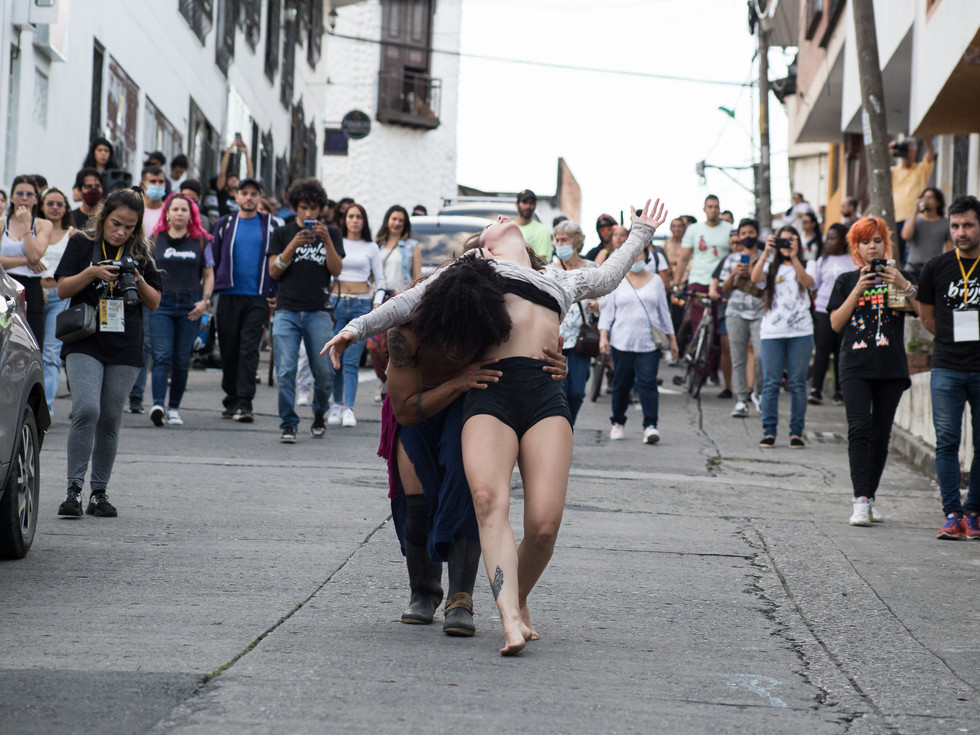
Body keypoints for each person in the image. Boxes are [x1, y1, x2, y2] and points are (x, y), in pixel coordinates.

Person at [323, 200, 668, 655]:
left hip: (538, 393)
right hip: (483, 393)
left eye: (505, 219)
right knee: (476, 500)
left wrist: (641, 232)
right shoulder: (475, 266)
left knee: (542, 526)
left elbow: (606, 277)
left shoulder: (559, 278)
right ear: (484, 245)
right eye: (493, 223)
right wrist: (354, 328)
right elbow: (409, 301)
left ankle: (516, 598)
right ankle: (493, 616)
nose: (502, 219)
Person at [382, 259, 568, 636]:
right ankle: (423, 592)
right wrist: (457, 380)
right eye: (451, 338)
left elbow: (534, 344)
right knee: (416, 501)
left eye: (467, 340)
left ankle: (460, 597)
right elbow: (405, 410)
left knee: (467, 491)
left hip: (468, 397)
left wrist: (555, 364)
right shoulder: (407, 328)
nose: (457, 349)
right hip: (416, 404)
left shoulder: (488, 313)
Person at [54, 188, 162, 518]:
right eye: (116, 223)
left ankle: (98, 493)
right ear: (103, 217)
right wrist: (92, 272)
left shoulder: (140, 251)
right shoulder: (82, 243)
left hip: (125, 344)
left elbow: (154, 302)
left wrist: (138, 279)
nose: (121, 232)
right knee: (87, 409)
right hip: (85, 338)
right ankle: (73, 490)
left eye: (129, 227)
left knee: (111, 417)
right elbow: (62, 288)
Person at [828, 216, 919, 526]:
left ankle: (871, 496)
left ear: (885, 244)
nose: (872, 247)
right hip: (854, 365)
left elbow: (922, 313)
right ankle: (860, 500)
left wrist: (904, 285)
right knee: (859, 429)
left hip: (890, 366)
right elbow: (835, 323)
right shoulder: (846, 281)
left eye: (877, 241)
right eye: (865, 242)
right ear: (856, 247)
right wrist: (859, 289)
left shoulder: (901, 277)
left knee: (881, 435)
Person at [916, 195, 980, 541]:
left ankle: (974, 513)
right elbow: (927, 318)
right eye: (955, 226)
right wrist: (954, 340)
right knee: (947, 442)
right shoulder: (936, 267)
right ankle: (952, 513)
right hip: (947, 367)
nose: (960, 232)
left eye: (968, 225)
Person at [267, 178, 344, 442]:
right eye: (303, 207)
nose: (308, 213)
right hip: (286, 310)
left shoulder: (332, 233)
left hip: (318, 310)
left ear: (321, 208)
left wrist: (327, 241)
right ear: (295, 207)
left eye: (313, 208)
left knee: (324, 372)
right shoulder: (282, 233)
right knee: (286, 369)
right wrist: (293, 245)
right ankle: (288, 423)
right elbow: (273, 271)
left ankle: (319, 413)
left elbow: (336, 270)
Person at [211, 177, 281, 422]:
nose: (249, 197)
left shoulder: (271, 225)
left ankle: (245, 403)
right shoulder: (224, 224)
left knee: (249, 350)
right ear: (237, 196)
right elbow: (214, 258)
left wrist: (275, 291)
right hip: (228, 295)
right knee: (229, 348)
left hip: (258, 297)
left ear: (260, 197)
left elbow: (279, 260)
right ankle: (231, 400)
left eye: (254, 193)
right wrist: (210, 290)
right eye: (245, 193)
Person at [147, 194, 215, 427]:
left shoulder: (201, 241)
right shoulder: (155, 239)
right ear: (167, 213)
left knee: (182, 360)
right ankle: (157, 405)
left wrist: (205, 302)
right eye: (174, 209)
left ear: (191, 214)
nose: (179, 213)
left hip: (190, 307)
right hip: (162, 305)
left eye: (184, 209)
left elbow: (209, 274)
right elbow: (145, 270)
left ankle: (174, 408)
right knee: (162, 356)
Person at [599, 247, 677, 443]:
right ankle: (618, 422)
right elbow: (608, 311)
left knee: (648, 383)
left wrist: (673, 340)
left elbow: (664, 312)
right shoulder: (617, 280)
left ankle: (650, 426)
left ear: (646, 256)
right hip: (621, 341)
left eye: (640, 253)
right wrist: (603, 336)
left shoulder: (656, 281)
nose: (636, 257)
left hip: (649, 343)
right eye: (633, 254)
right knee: (621, 384)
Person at [751, 226, 817, 449]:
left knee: (798, 384)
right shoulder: (770, 265)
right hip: (772, 332)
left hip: (801, 333)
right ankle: (769, 431)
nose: (786, 245)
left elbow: (807, 282)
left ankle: (796, 433)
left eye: (791, 240)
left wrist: (795, 256)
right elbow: (755, 278)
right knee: (770, 383)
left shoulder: (808, 263)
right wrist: (765, 254)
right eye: (783, 241)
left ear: (797, 242)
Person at [328, 203, 386, 428]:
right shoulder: (336, 242)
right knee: (335, 356)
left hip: (361, 304)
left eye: (358, 217)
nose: (354, 220)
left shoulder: (371, 247)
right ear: (344, 220)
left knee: (352, 360)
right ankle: (336, 404)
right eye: (351, 216)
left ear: (364, 221)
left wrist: (377, 303)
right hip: (336, 302)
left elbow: (380, 281)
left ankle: (349, 408)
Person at [713, 218, 765, 417]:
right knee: (738, 358)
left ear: (757, 235)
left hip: (760, 313)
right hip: (735, 312)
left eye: (751, 233)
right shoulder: (730, 259)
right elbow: (724, 289)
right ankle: (741, 400)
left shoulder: (766, 257)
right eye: (743, 233)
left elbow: (767, 286)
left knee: (761, 356)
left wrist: (753, 271)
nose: (747, 237)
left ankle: (758, 393)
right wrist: (734, 273)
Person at [552, 219, 599, 426]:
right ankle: (561, 430)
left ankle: (568, 425)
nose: (559, 244)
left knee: (577, 391)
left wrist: (597, 305)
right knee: (559, 390)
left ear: (577, 242)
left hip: (582, 338)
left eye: (564, 240)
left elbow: (606, 297)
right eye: (557, 240)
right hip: (557, 337)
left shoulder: (591, 268)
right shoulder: (550, 270)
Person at [678, 194, 730, 377]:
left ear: (719, 209)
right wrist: (677, 283)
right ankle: (700, 369)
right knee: (698, 324)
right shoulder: (694, 229)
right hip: (698, 281)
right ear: (704, 209)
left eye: (716, 207)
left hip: (721, 283)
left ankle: (713, 369)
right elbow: (683, 257)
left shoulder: (729, 229)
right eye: (710, 207)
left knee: (717, 328)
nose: (713, 210)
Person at [37, 187, 75, 417]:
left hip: (60, 297)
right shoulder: (33, 231)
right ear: (41, 206)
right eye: (50, 203)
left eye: (59, 204)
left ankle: (46, 411)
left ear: (66, 208)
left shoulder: (72, 234)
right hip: (34, 295)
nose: (54, 207)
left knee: (51, 354)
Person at [1, 175, 52, 344]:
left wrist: (25, 226)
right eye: (20, 193)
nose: (24, 198)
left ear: (36, 199)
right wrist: (25, 261)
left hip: (32, 286)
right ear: (12, 197)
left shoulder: (43, 225)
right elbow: (30, 259)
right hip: (5, 282)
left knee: (32, 340)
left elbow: (35, 255)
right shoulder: (2, 223)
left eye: (29, 194)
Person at [810, 223, 857, 405]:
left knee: (841, 350)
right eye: (828, 238)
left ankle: (840, 391)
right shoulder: (823, 260)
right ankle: (816, 389)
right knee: (822, 349)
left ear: (843, 240)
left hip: (845, 310)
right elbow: (815, 285)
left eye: (833, 238)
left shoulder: (852, 260)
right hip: (823, 309)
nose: (829, 242)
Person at [890, 137, 936, 266]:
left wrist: (924, 135)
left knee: (913, 253)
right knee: (897, 254)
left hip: (916, 218)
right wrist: (888, 151)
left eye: (910, 151)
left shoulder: (921, 169)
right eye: (905, 151)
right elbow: (878, 170)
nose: (908, 154)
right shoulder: (893, 171)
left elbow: (931, 153)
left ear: (915, 152)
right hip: (898, 219)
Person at [901, 187, 951, 280]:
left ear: (938, 202)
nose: (926, 200)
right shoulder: (914, 219)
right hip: (912, 268)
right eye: (924, 197)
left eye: (930, 197)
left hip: (932, 269)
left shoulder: (945, 224)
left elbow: (949, 249)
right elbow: (906, 236)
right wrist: (915, 211)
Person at [376, 205, 421, 293]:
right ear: (387, 220)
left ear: (405, 224)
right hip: (378, 296)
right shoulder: (377, 245)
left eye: (401, 220)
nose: (397, 223)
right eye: (394, 219)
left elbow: (417, 278)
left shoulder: (412, 246)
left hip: (400, 296)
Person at [217, 137, 254, 217]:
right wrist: (230, 148)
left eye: (236, 179)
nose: (234, 179)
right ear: (226, 184)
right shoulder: (223, 194)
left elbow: (250, 176)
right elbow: (222, 172)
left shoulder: (243, 195)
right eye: (231, 179)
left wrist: (246, 153)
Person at [514, 189, 552, 259]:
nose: (528, 206)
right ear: (517, 204)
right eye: (525, 202)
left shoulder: (543, 230)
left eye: (531, 203)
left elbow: (542, 260)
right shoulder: (508, 228)